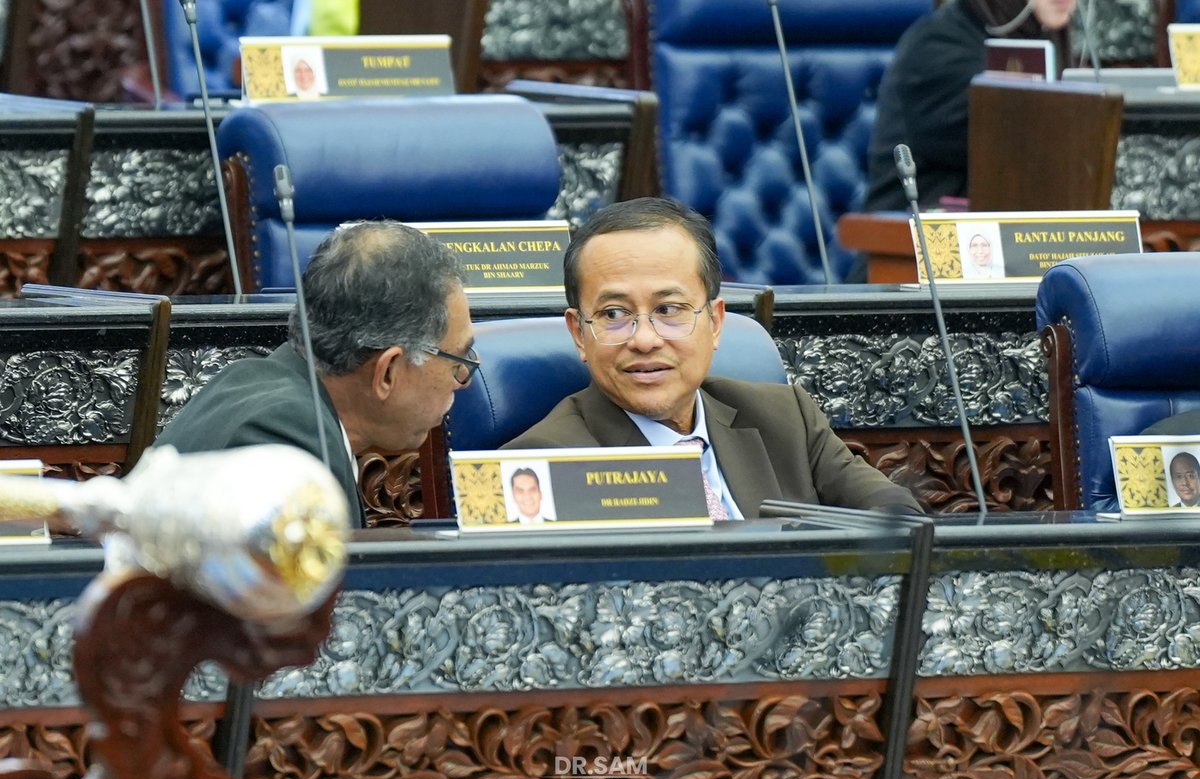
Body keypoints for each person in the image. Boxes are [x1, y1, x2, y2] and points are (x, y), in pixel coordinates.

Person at [502, 197, 922, 518]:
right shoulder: (540, 464)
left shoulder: (786, 418)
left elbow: (896, 519)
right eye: (614, 314)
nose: (645, 339)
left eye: (669, 310)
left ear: (716, 322)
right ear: (579, 332)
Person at [155, 221, 477, 527]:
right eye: (456, 362)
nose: (462, 382)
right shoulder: (292, 448)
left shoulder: (250, 381)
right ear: (388, 372)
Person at [864, 0, 1076, 213]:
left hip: (1004, 228)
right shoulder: (939, 42)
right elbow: (1015, 143)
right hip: (911, 232)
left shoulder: (1049, 36)